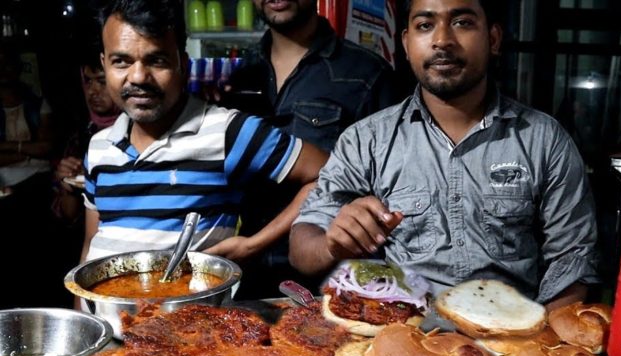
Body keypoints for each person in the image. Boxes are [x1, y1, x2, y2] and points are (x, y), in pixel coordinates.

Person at [290, 0, 599, 309]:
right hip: (404, 339)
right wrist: (333, 243)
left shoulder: (544, 140)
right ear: (407, 43)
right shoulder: (366, 141)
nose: (442, 40)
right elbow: (302, 249)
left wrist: (541, 345)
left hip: (510, 341)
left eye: (462, 22)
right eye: (425, 25)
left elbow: (573, 261)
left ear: (493, 39)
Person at [80, 0, 327, 271]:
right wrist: (82, 311)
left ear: (182, 65)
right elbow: (92, 242)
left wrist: (253, 244)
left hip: (189, 312)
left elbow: (326, 173)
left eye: (157, 60)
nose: (138, 76)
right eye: (121, 61)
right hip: (101, 311)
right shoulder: (98, 147)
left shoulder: (226, 132)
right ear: (104, 65)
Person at [220, 0, 398, 298]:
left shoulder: (367, 74)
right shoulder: (240, 76)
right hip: (249, 274)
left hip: (333, 278)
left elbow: (393, 187)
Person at [0, 43, 57, 308]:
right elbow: (38, 148)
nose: (4, 70)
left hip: (37, 183)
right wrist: (28, 150)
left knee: (36, 247)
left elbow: (46, 148)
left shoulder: (36, 101)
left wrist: (10, 148)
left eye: (9, 64)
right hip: (4, 185)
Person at [53, 51, 121, 225]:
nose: (92, 91)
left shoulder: (139, 132)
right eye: (88, 81)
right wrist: (68, 184)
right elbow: (69, 214)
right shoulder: (81, 136)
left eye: (101, 82)